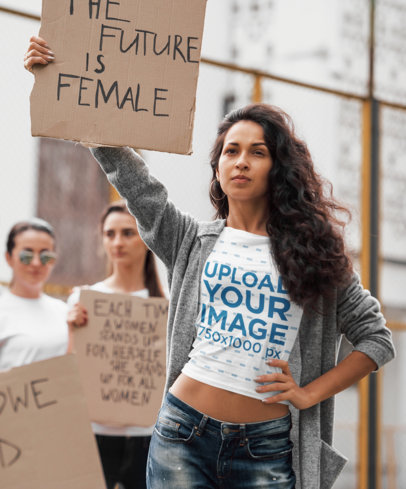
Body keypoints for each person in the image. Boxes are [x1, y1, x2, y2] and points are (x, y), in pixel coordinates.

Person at [25, 39, 395, 489]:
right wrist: (63, 79)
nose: (241, 162)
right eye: (230, 151)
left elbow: (376, 338)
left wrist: (307, 393)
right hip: (182, 432)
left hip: (268, 446)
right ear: (217, 168)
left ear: (279, 167)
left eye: (257, 152)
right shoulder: (189, 239)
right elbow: (137, 183)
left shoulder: (314, 254)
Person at [67, 200, 165, 489]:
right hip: (95, 434)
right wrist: (71, 330)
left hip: (150, 436)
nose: (117, 242)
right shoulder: (84, 299)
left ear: (146, 238)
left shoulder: (167, 304)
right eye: (110, 234)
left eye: (127, 233)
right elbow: (70, 372)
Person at [0, 218, 69, 371]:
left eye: (46, 256)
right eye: (27, 256)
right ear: (9, 258)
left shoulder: (65, 312)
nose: (36, 263)